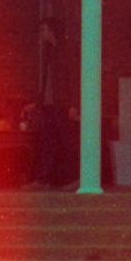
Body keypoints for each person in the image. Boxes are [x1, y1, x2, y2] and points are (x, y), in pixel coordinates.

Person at [29, 17, 79, 188]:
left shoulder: (67, 49)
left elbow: (74, 76)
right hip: (50, 104)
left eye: (44, 29)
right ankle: (44, 179)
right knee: (47, 142)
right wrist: (39, 102)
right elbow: (48, 81)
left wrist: (74, 104)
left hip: (62, 104)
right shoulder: (51, 50)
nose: (41, 33)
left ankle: (74, 178)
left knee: (67, 142)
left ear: (52, 30)